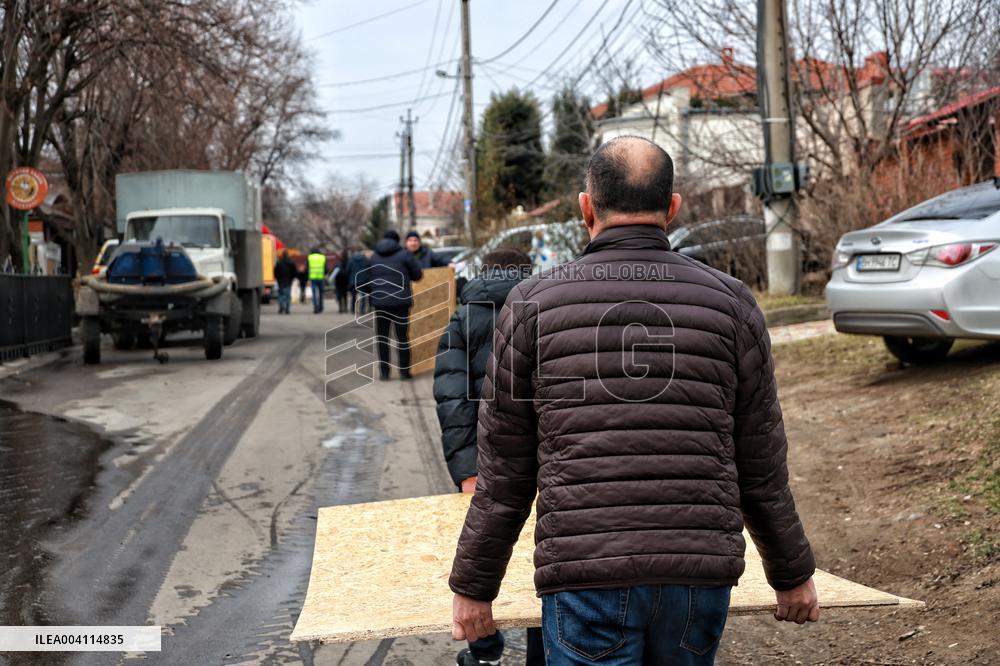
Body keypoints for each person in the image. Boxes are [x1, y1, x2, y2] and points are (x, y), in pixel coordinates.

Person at [449, 136, 819, 665]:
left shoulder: (530, 305)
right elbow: (760, 461)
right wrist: (791, 574)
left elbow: (505, 471)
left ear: (586, 208)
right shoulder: (732, 303)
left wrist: (474, 586)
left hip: (585, 574)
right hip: (697, 576)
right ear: (672, 209)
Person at [433, 248, 544, 666]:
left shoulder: (463, 318)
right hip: (543, 459)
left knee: (482, 545)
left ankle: (484, 650)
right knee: (543, 552)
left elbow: (451, 397)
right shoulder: (544, 309)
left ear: (484, 274)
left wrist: (466, 469)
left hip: (484, 460)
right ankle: (542, 651)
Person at [366, 230, 422, 380]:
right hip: (401, 303)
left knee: (382, 338)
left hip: (380, 303)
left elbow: (365, 279)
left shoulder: (373, 257)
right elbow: (417, 276)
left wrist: (374, 293)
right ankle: (404, 372)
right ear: (397, 241)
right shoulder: (405, 255)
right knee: (402, 338)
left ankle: (384, 373)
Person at [346, 247, 369, 315]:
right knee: (363, 295)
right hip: (363, 280)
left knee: (353, 295)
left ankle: (353, 309)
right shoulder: (365, 259)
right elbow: (368, 268)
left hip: (353, 280)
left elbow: (348, 270)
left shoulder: (351, 259)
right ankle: (362, 309)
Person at [273, 250, 298, 314]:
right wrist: (292, 278)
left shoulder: (279, 263)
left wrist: (277, 278)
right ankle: (287, 309)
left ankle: (281, 306)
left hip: (280, 281)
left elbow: (275, 272)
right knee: (288, 296)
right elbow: (295, 272)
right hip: (288, 281)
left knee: (281, 295)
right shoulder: (291, 263)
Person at [307, 247, 327, 314]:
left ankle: (316, 308)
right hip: (321, 278)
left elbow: (307, 268)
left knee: (314, 294)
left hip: (313, 278)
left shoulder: (310, 257)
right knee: (321, 293)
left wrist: (308, 277)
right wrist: (324, 274)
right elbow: (325, 268)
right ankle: (321, 307)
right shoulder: (322, 257)